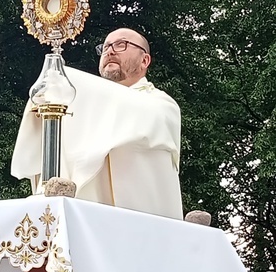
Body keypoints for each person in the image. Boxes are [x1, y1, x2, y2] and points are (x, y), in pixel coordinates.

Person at [11, 28, 183, 220]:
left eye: (121, 45)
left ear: (145, 60)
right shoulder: (82, 102)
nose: (110, 51)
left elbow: (136, 111)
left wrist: (65, 75)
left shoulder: (162, 105)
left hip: (140, 223)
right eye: (106, 46)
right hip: (82, 219)